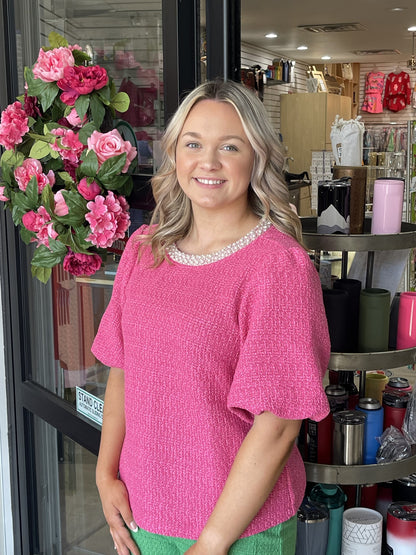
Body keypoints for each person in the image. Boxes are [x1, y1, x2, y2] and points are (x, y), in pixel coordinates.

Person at [92, 79, 330, 555]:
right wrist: (105, 473)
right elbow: (123, 368)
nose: (209, 162)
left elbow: (279, 422)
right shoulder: (144, 249)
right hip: (143, 513)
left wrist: (213, 543)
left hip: (241, 530)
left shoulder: (276, 267)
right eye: (193, 143)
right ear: (174, 154)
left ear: (256, 157)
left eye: (230, 146)